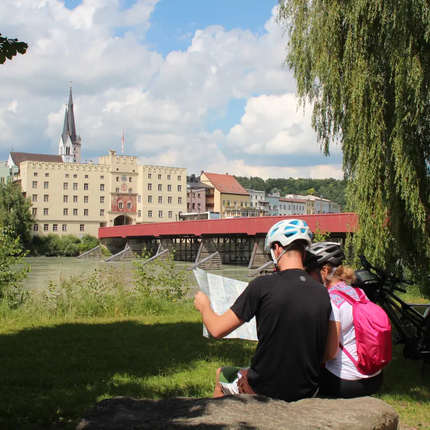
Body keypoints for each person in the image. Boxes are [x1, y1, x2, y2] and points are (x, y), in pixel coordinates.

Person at [194, 219, 332, 402]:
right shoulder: (322, 292)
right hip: (307, 389)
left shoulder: (263, 285)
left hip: (265, 387)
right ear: (304, 252)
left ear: (278, 248)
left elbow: (217, 329)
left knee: (221, 375)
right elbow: (328, 352)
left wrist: (204, 306)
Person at [304, 242, 384, 398]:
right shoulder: (358, 292)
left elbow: (330, 353)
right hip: (375, 377)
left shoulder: (332, 301)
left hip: (346, 381)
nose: (307, 277)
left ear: (324, 271)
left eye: (309, 272)